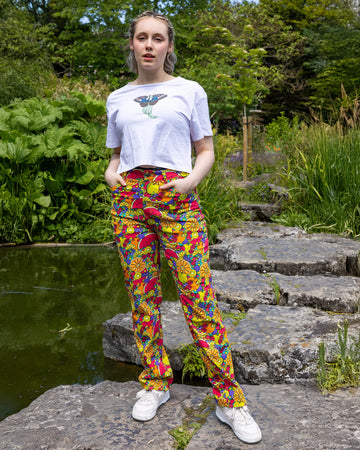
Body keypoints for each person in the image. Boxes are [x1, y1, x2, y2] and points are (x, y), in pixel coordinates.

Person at [104, 10, 262, 444]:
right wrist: (110, 174)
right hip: (130, 199)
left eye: (158, 38)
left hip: (177, 196)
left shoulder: (188, 90)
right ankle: (155, 382)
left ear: (169, 46)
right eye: (142, 38)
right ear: (132, 46)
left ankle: (230, 400)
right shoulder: (117, 97)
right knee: (142, 294)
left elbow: (206, 149)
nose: (150, 45)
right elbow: (116, 154)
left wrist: (191, 180)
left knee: (198, 297)